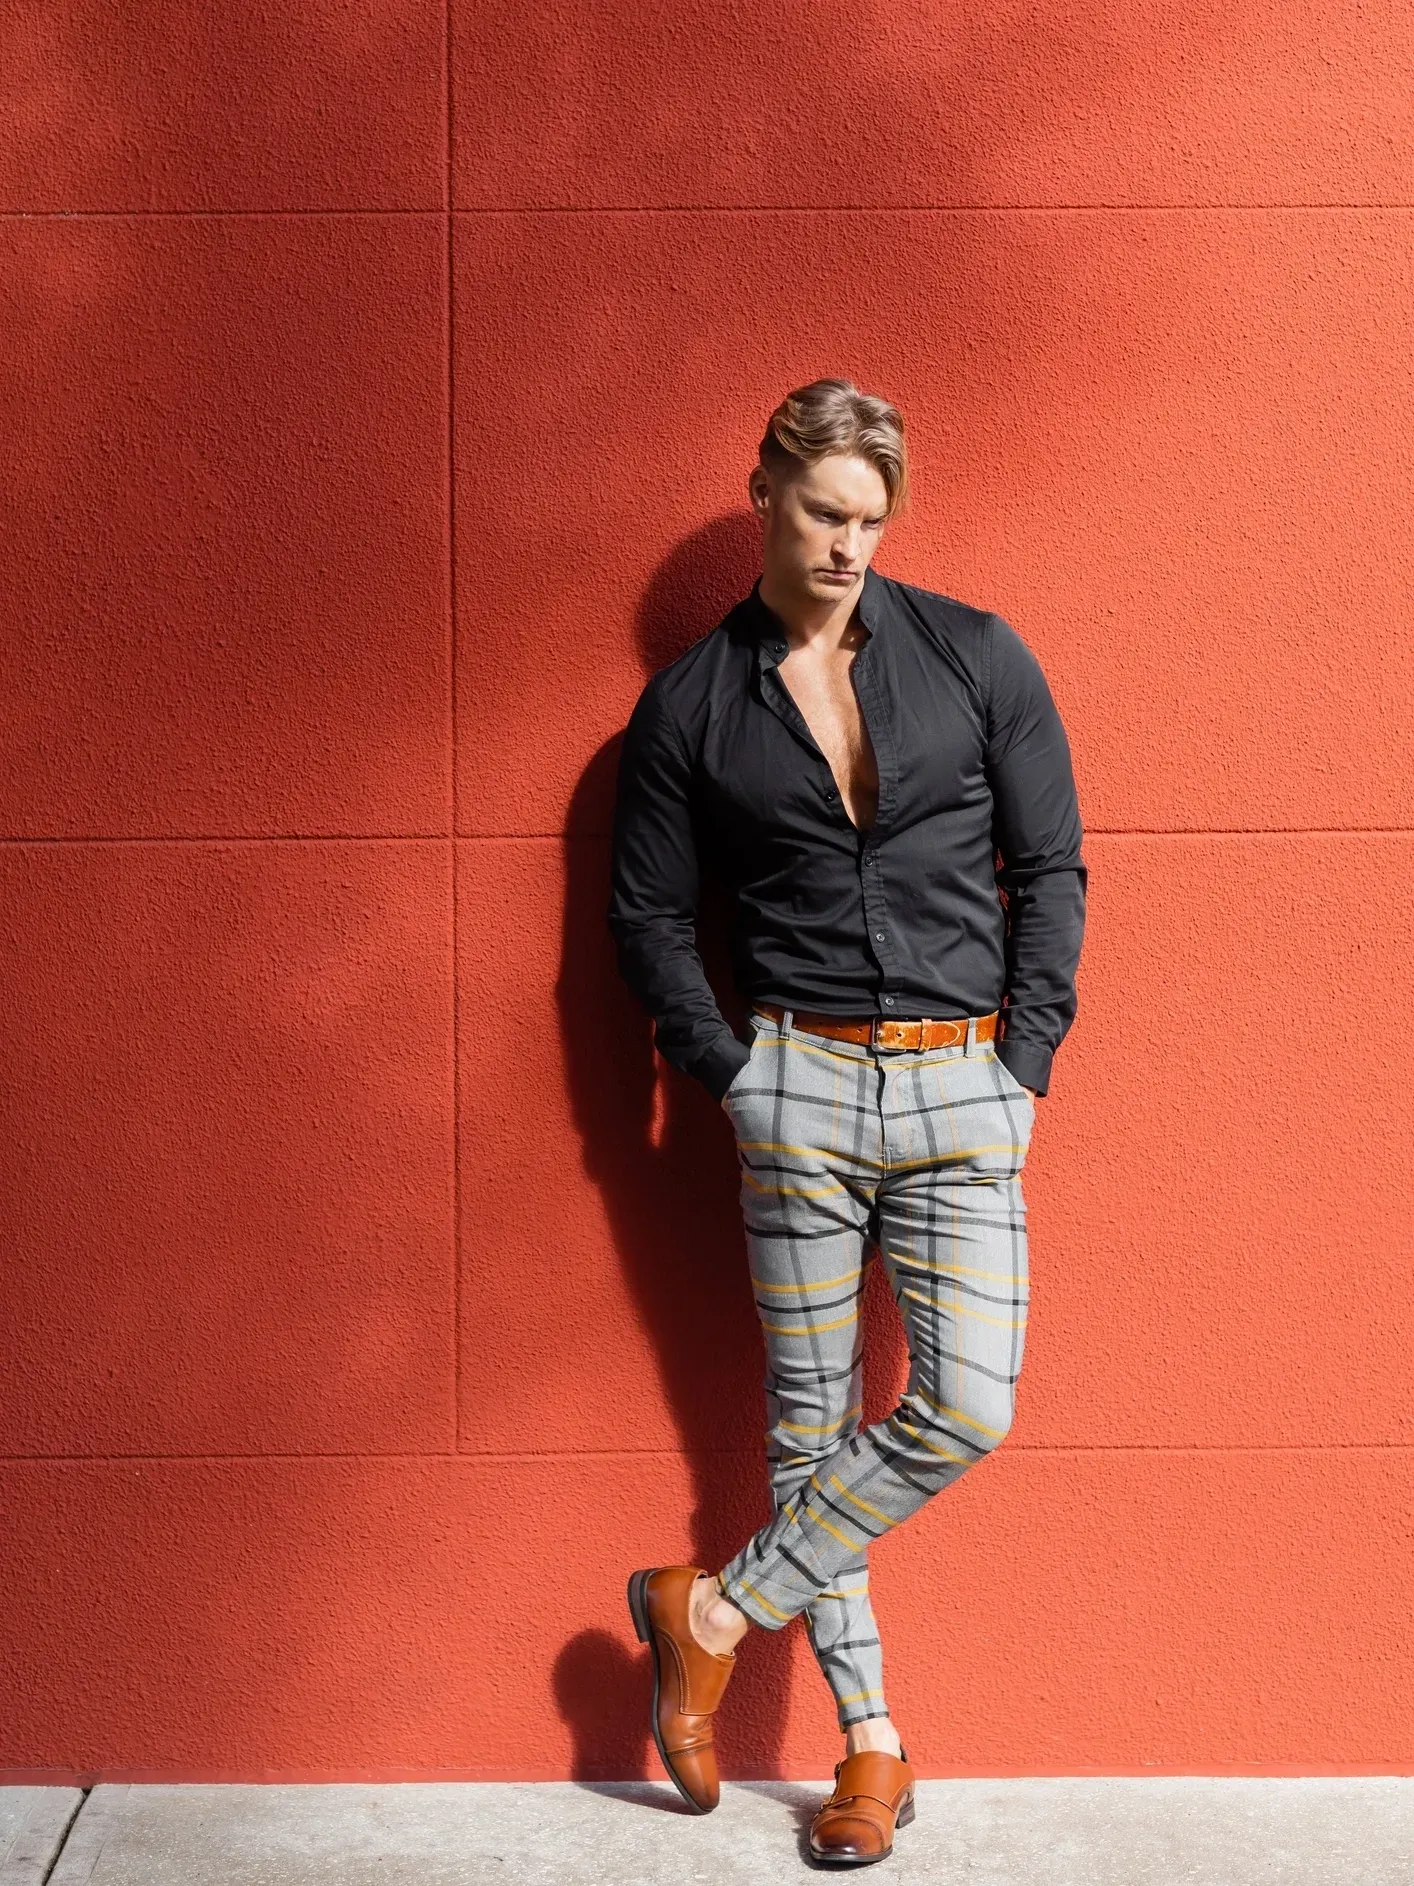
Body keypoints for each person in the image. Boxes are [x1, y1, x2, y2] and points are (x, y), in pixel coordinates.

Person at [607, 378, 1086, 1866]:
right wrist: (735, 1075)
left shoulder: (977, 655)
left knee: (969, 1407)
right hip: (796, 1087)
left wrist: (1022, 1064)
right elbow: (646, 918)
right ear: (763, 493)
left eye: (871, 521)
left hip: (961, 1084)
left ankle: (710, 1611)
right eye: (823, 512)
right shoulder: (689, 706)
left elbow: (1050, 869)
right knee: (808, 1432)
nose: (847, 547)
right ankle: (869, 1746)